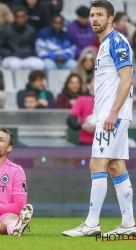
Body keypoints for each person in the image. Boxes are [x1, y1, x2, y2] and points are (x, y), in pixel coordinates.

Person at [62, 0, 135, 237]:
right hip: (112, 113)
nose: (94, 18)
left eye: (100, 15)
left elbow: (127, 79)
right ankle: (128, 224)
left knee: (97, 164)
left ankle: (92, 224)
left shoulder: (116, 41)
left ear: (111, 18)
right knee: (115, 166)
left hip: (112, 114)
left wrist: (112, 112)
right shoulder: (103, 45)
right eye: (92, 14)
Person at [0, 6, 44, 72]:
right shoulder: (6, 30)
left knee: (39, 64)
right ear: (14, 17)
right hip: (11, 57)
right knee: (15, 64)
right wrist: (10, 53)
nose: (21, 19)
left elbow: (35, 46)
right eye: (18, 17)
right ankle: (14, 82)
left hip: (27, 57)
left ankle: (33, 81)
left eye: (23, 16)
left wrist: (28, 53)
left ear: (26, 17)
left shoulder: (31, 30)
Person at [67, 76, 95, 145]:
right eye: (96, 82)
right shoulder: (82, 100)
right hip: (86, 141)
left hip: (104, 141)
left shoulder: (108, 100)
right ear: (88, 85)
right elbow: (70, 119)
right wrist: (83, 126)